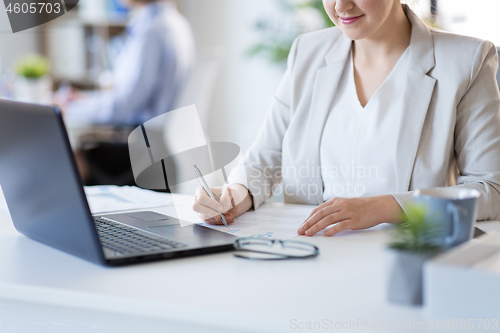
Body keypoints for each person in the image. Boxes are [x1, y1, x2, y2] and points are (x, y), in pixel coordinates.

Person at [192, 0, 500, 237]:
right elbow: (266, 158)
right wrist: (235, 195)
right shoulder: (308, 52)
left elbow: (490, 189)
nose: (341, 6)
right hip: (308, 255)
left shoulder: (465, 61)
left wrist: (383, 207)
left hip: (406, 259)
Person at [64, 0, 195, 126]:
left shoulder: (152, 31)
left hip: (145, 139)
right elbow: (127, 95)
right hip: (165, 136)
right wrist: (86, 101)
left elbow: (124, 107)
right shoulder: (177, 23)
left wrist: (69, 110)